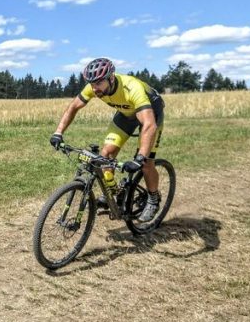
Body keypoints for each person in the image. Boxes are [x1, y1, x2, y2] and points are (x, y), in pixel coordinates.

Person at [49, 57, 165, 223]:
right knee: (106, 155)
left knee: (146, 163)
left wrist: (140, 158)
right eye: (91, 83)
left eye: (98, 83)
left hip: (151, 114)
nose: (94, 88)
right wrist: (58, 132)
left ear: (111, 78)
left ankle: (153, 199)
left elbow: (149, 124)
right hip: (125, 114)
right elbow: (73, 107)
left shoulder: (132, 88)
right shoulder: (93, 87)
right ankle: (112, 193)